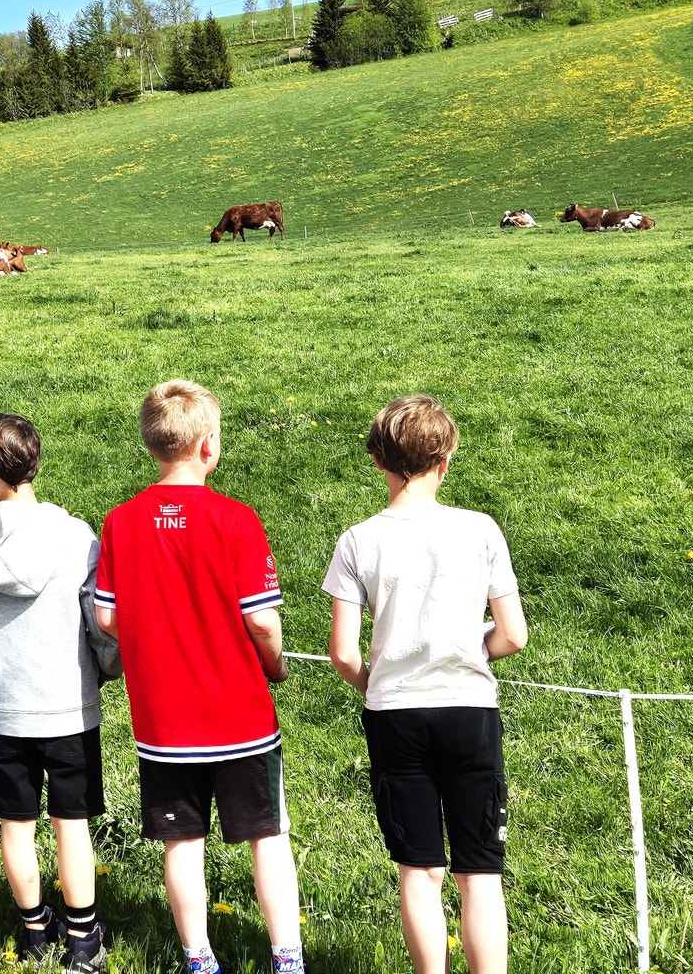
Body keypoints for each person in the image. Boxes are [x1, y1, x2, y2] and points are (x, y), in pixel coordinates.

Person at [94, 381, 305, 974]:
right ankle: (286, 957)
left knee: (182, 843)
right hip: (241, 718)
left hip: (163, 722)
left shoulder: (121, 522)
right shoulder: (236, 519)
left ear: (152, 446)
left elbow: (106, 615)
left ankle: (198, 958)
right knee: (268, 836)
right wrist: (276, 666)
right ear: (209, 445)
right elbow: (261, 621)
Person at [323, 395, 527, 974]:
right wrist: (471, 652)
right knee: (479, 869)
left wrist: (375, 684)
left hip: (396, 715)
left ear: (378, 461)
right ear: (446, 460)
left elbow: (342, 651)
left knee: (419, 867)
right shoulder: (480, 529)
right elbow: (513, 635)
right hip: (469, 710)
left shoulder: (358, 540)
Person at [0, 414, 107, 971]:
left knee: (14, 825)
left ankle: (35, 929)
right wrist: (107, 667)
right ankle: (85, 939)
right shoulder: (76, 534)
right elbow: (97, 618)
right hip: (69, 705)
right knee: (73, 823)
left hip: (4, 709)